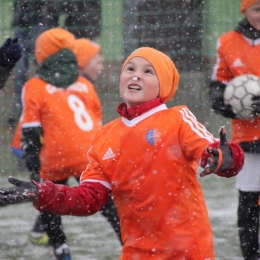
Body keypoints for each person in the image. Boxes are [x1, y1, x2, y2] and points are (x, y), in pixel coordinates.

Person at [0, 46, 244, 259]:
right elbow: (88, 199)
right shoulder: (105, 136)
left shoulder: (177, 118)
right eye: (130, 68)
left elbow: (212, 151)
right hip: (136, 252)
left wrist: (224, 156)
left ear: (164, 85)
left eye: (148, 71)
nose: (136, 74)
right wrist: (40, 192)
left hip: (185, 251)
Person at [10, 28, 121, 260]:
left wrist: (33, 165)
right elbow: (97, 124)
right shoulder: (85, 84)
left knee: (48, 200)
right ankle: (129, 239)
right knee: (107, 203)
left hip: (55, 155)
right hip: (88, 155)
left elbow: (30, 131)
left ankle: (61, 249)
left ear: (41, 55)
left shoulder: (34, 85)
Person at [209, 1, 260, 259]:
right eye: (257, 9)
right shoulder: (227, 42)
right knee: (249, 205)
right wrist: (233, 107)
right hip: (248, 139)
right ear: (245, 11)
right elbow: (217, 88)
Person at [9, 0, 59, 125]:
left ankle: (44, 110)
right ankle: (20, 110)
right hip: (25, 20)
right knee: (21, 72)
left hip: (39, 20)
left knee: (43, 69)